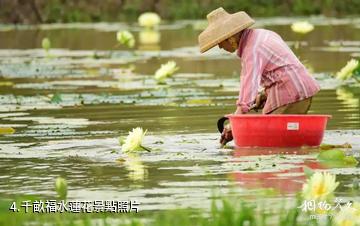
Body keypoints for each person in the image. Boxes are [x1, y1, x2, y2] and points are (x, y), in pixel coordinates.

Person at [198, 8, 320, 145]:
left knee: (269, 142)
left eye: (220, 42)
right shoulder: (263, 34)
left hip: (292, 94)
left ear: (231, 38)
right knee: (285, 140)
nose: (220, 47)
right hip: (299, 88)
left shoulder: (252, 50)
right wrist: (264, 95)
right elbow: (282, 69)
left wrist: (236, 121)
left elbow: (248, 85)